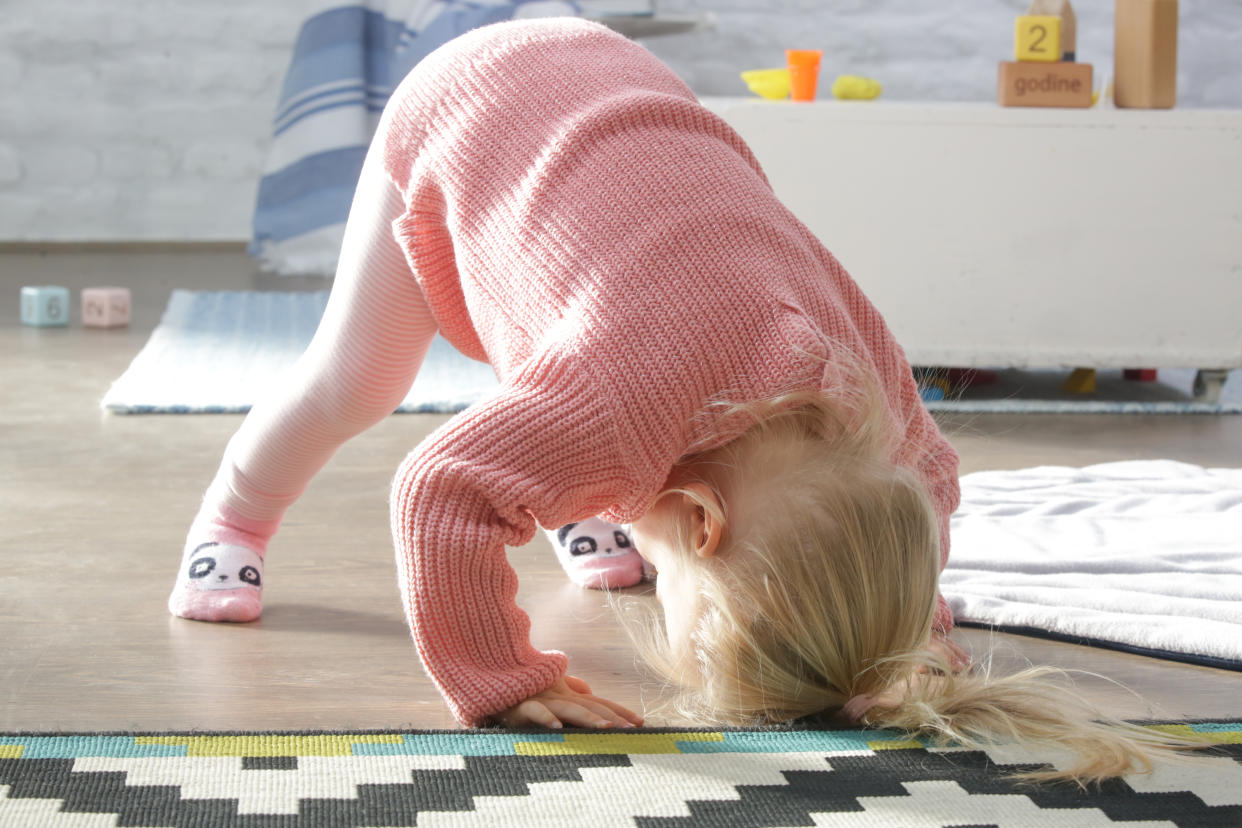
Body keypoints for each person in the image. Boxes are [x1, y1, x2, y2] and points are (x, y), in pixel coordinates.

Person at [169, 17, 1202, 783]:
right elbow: (439, 490)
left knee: (562, 390)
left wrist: (902, 629)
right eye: (682, 603)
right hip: (466, 107)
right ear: (700, 525)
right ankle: (234, 514)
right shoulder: (616, 397)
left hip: (614, 87)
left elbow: (924, 486)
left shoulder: (876, 404)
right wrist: (498, 676)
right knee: (356, 379)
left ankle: (576, 500)